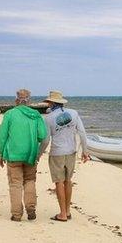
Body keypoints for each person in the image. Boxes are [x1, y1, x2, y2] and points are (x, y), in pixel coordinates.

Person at [38, 90, 90, 222]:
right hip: (71, 151)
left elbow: (45, 140)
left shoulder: (48, 118)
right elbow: (82, 133)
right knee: (68, 181)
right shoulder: (73, 113)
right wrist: (85, 151)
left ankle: (62, 214)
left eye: (49, 102)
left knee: (59, 182)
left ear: (51, 103)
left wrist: (38, 155)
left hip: (57, 153)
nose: (48, 104)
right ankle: (67, 211)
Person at [0, 89, 47, 221]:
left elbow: (2, 135)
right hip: (30, 154)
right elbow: (42, 135)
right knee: (30, 180)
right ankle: (31, 208)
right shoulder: (36, 115)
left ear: (16, 100)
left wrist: (0, 153)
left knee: (15, 183)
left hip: (13, 154)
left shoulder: (10, 114)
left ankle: (17, 214)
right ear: (29, 100)